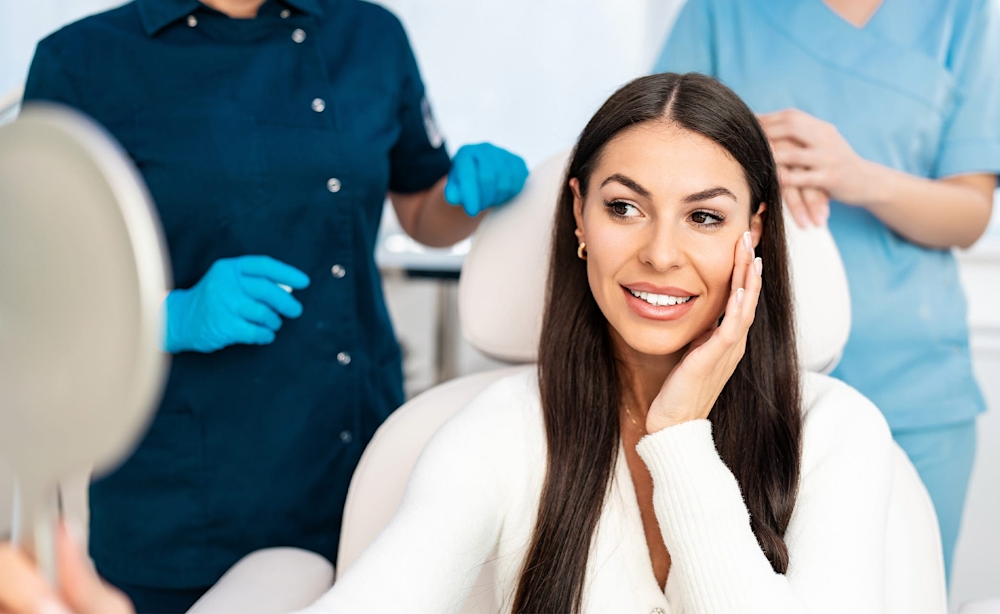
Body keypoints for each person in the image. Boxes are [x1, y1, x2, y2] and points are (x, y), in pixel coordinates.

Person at [1, 72, 898, 614]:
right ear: (578, 217)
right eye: (624, 206)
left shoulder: (841, 434)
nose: (660, 251)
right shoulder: (507, 426)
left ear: (755, 237)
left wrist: (679, 438)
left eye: (705, 217)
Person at [20, 0, 528, 610]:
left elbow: (420, 209)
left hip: (356, 446)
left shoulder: (369, 35)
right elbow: (42, 281)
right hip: (186, 492)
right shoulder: (82, 60)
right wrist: (172, 314)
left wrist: (463, 195)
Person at [653, 0, 1000, 581]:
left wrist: (860, 178)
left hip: (914, 387)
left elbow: (969, 214)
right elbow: (655, 150)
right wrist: (743, 150)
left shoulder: (957, 14)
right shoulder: (720, 11)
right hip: (744, 379)